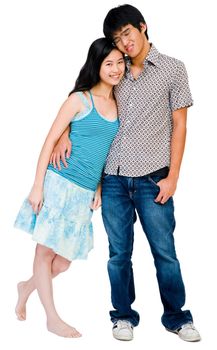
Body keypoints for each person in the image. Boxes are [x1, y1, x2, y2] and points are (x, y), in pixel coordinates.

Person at [50, 4, 201, 343]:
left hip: (153, 178)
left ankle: (177, 318)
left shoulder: (173, 70)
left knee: (165, 251)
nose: (125, 43)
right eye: (117, 38)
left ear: (143, 27)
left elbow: (180, 125)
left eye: (128, 33)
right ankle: (122, 316)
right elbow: (78, 97)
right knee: (119, 254)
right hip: (113, 179)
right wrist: (62, 134)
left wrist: (173, 177)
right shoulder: (113, 71)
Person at [14, 37, 125, 338]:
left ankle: (27, 286)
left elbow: (107, 152)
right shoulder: (80, 99)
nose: (115, 69)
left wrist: (99, 186)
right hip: (59, 183)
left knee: (62, 263)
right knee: (45, 251)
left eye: (119, 62)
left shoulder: (119, 103)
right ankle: (52, 318)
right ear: (97, 66)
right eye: (108, 63)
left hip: (85, 192)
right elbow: (49, 140)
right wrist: (37, 187)